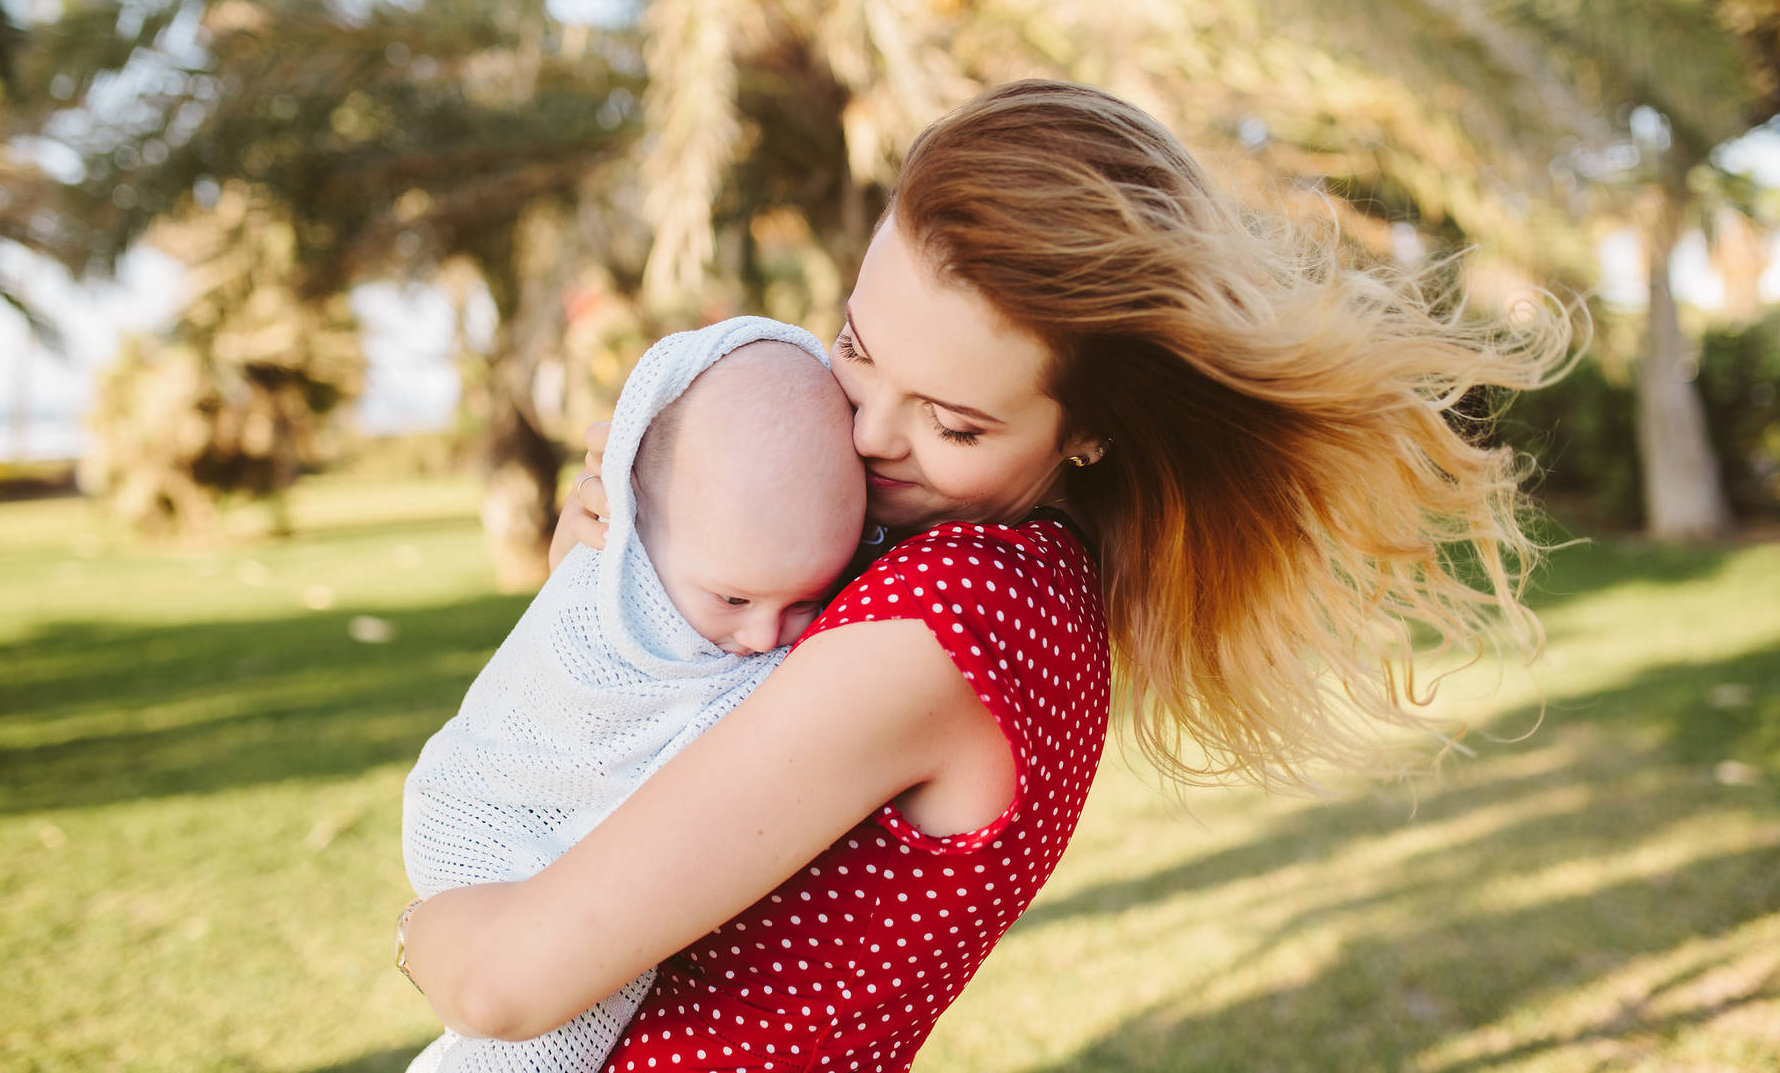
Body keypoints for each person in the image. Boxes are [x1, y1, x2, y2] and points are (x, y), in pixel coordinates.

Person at [397, 80, 1571, 1071]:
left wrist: (426, 930)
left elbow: (507, 982)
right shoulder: (976, 577)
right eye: (858, 346)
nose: (865, 436)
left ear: (1090, 431)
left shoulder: (959, 616)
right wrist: (612, 590)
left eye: (953, 424)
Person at [399, 317, 866, 1072]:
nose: (763, 637)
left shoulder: (765, 581)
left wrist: (418, 937)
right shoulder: (614, 604)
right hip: (485, 831)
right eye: (733, 599)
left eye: (806, 602)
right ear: (640, 536)